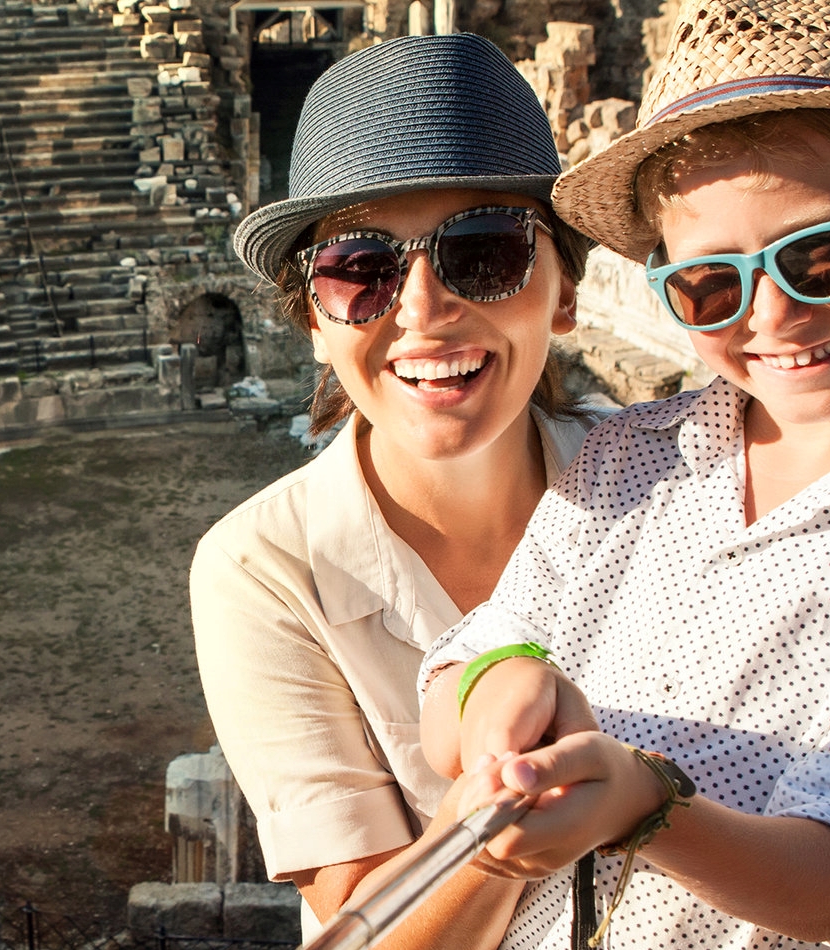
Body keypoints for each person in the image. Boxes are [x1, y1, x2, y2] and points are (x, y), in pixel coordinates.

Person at [415, 0, 830, 947]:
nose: (774, 317)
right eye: (712, 286)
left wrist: (646, 808)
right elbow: (458, 676)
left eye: (826, 256)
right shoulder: (628, 455)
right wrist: (493, 695)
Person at [190, 33, 601, 947]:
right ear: (313, 317)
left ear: (564, 291)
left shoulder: (683, 489)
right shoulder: (260, 567)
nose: (420, 309)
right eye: (360, 269)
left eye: (485, 251)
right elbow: (372, 928)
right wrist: (510, 815)